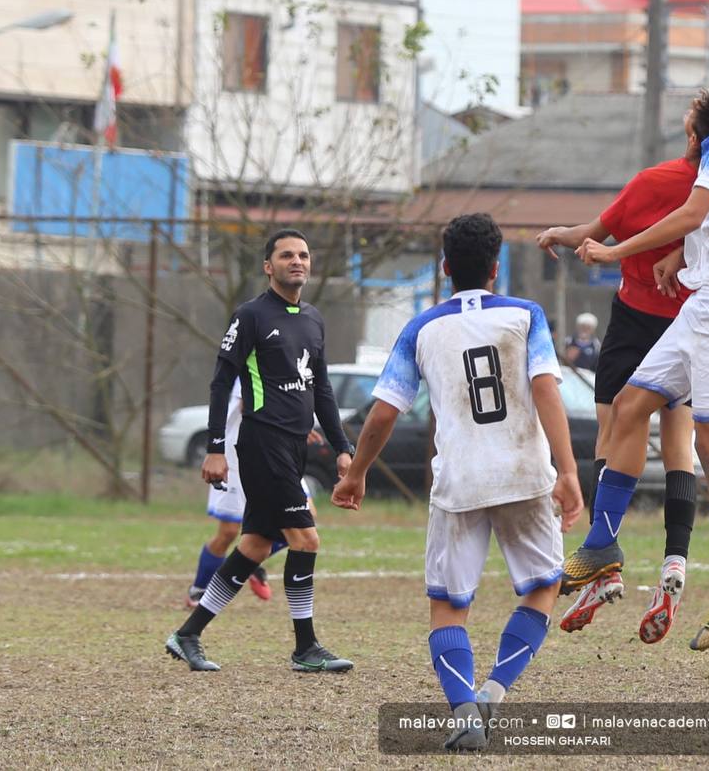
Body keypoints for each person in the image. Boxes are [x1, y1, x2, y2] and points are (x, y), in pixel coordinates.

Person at [568, 40, 709, 651]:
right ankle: (600, 546)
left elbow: (697, 212)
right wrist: (682, 255)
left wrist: (618, 252)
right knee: (630, 406)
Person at [332, 213, 583, 751]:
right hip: (524, 474)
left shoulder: (421, 328)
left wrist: (356, 474)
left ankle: (464, 707)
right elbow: (545, 389)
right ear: (497, 267)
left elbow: (381, 415)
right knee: (543, 586)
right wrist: (568, 470)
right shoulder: (526, 315)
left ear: (445, 267)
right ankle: (493, 692)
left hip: (459, 482)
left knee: (449, 606)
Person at [535, 83, 709, 643]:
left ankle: (605, 555)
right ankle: (675, 564)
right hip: (690, 324)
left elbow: (597, 233)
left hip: (635, 324)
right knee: (680, 443)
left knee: (615, 430)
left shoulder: (655, 182)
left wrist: (559, 233)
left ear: (693, 135)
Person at [166, 228, 356, 673]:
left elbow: (321, 388)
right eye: (287, 255)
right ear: (269, 266)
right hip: (261, 443)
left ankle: (187, 634)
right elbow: (220, 383)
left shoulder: (312, 318)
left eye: (304, 255)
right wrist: (216, 449)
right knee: (305, 538)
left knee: (253, 545)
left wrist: (342, 446)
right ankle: (305, 648)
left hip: (295, 447)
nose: (298, 261)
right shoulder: (250, 316)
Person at [184, 379, 320, 609]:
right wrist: (288, 420)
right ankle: (199, 589)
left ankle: (246, 562)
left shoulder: (292, 355)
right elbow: (250, 404)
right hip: (238, 455)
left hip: (278, 451)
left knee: (308, 516)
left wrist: (297, 425)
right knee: (227, 532)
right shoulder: (254, 358)